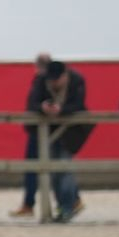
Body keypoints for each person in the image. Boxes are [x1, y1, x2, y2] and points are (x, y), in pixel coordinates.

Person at [39, 60, 92, 223]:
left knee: (64, 167)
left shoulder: (77, 81)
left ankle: (67, 207)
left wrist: (62, 110)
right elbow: (32, 102)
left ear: (64, 75)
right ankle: (65, 205)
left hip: (70, 131)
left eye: (56, 79)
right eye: (51, 79)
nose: (53, 82)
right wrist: (43, 107)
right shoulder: (41, 81)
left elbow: (79, 105)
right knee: (55, 171)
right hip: (49, 131)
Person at [10, 52, 55, 218]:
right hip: (44, 130)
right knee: (48, 168)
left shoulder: (42, 81)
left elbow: (33, 104)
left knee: (32, 168)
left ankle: (29, 203)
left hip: (39, 131)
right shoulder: (50, 81)